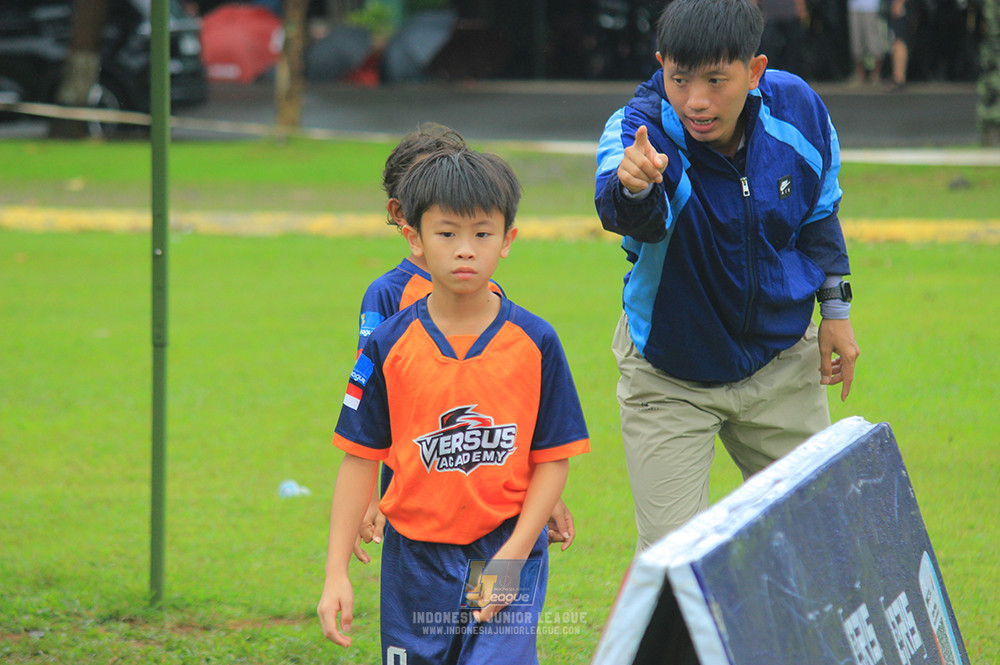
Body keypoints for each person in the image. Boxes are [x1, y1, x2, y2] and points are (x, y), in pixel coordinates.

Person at [595, 0, 860, 553]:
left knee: (823, 542)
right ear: (662, 64)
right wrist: (636, 186)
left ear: (754, 71)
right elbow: (629, 216)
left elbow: (818, 214)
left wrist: (835, 311)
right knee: (675, 565)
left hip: (781, 364)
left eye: (716, 80)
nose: (696, 100)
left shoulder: (799, 111)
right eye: (680, 78)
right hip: (670, 376)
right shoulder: (639, 131)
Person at [318, 147, 590, 665]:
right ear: (414, 239)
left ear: (508, 240)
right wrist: (336, 573)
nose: (465, 250)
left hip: (506, 545)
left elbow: (553, 458)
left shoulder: (535, 341)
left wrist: (513, 556)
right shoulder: (387, 344)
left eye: (482, 234)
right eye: (447, 234)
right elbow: (359, 457)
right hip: (414, 560)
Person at [351, 124, 577, 566]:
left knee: (488, 614)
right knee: (431, 624)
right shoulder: (387, 298)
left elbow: (512, 410)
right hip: (419, 497)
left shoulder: (487, 292)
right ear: (405, 216)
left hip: (493, 507)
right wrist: (377, 498)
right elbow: (380, 413)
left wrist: (542, 493)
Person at [849, 0, 888, 85]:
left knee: (874, 41)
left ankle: (876, 75)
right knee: (856, 41)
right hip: (854, 7)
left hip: (871, 7)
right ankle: (860, 75)